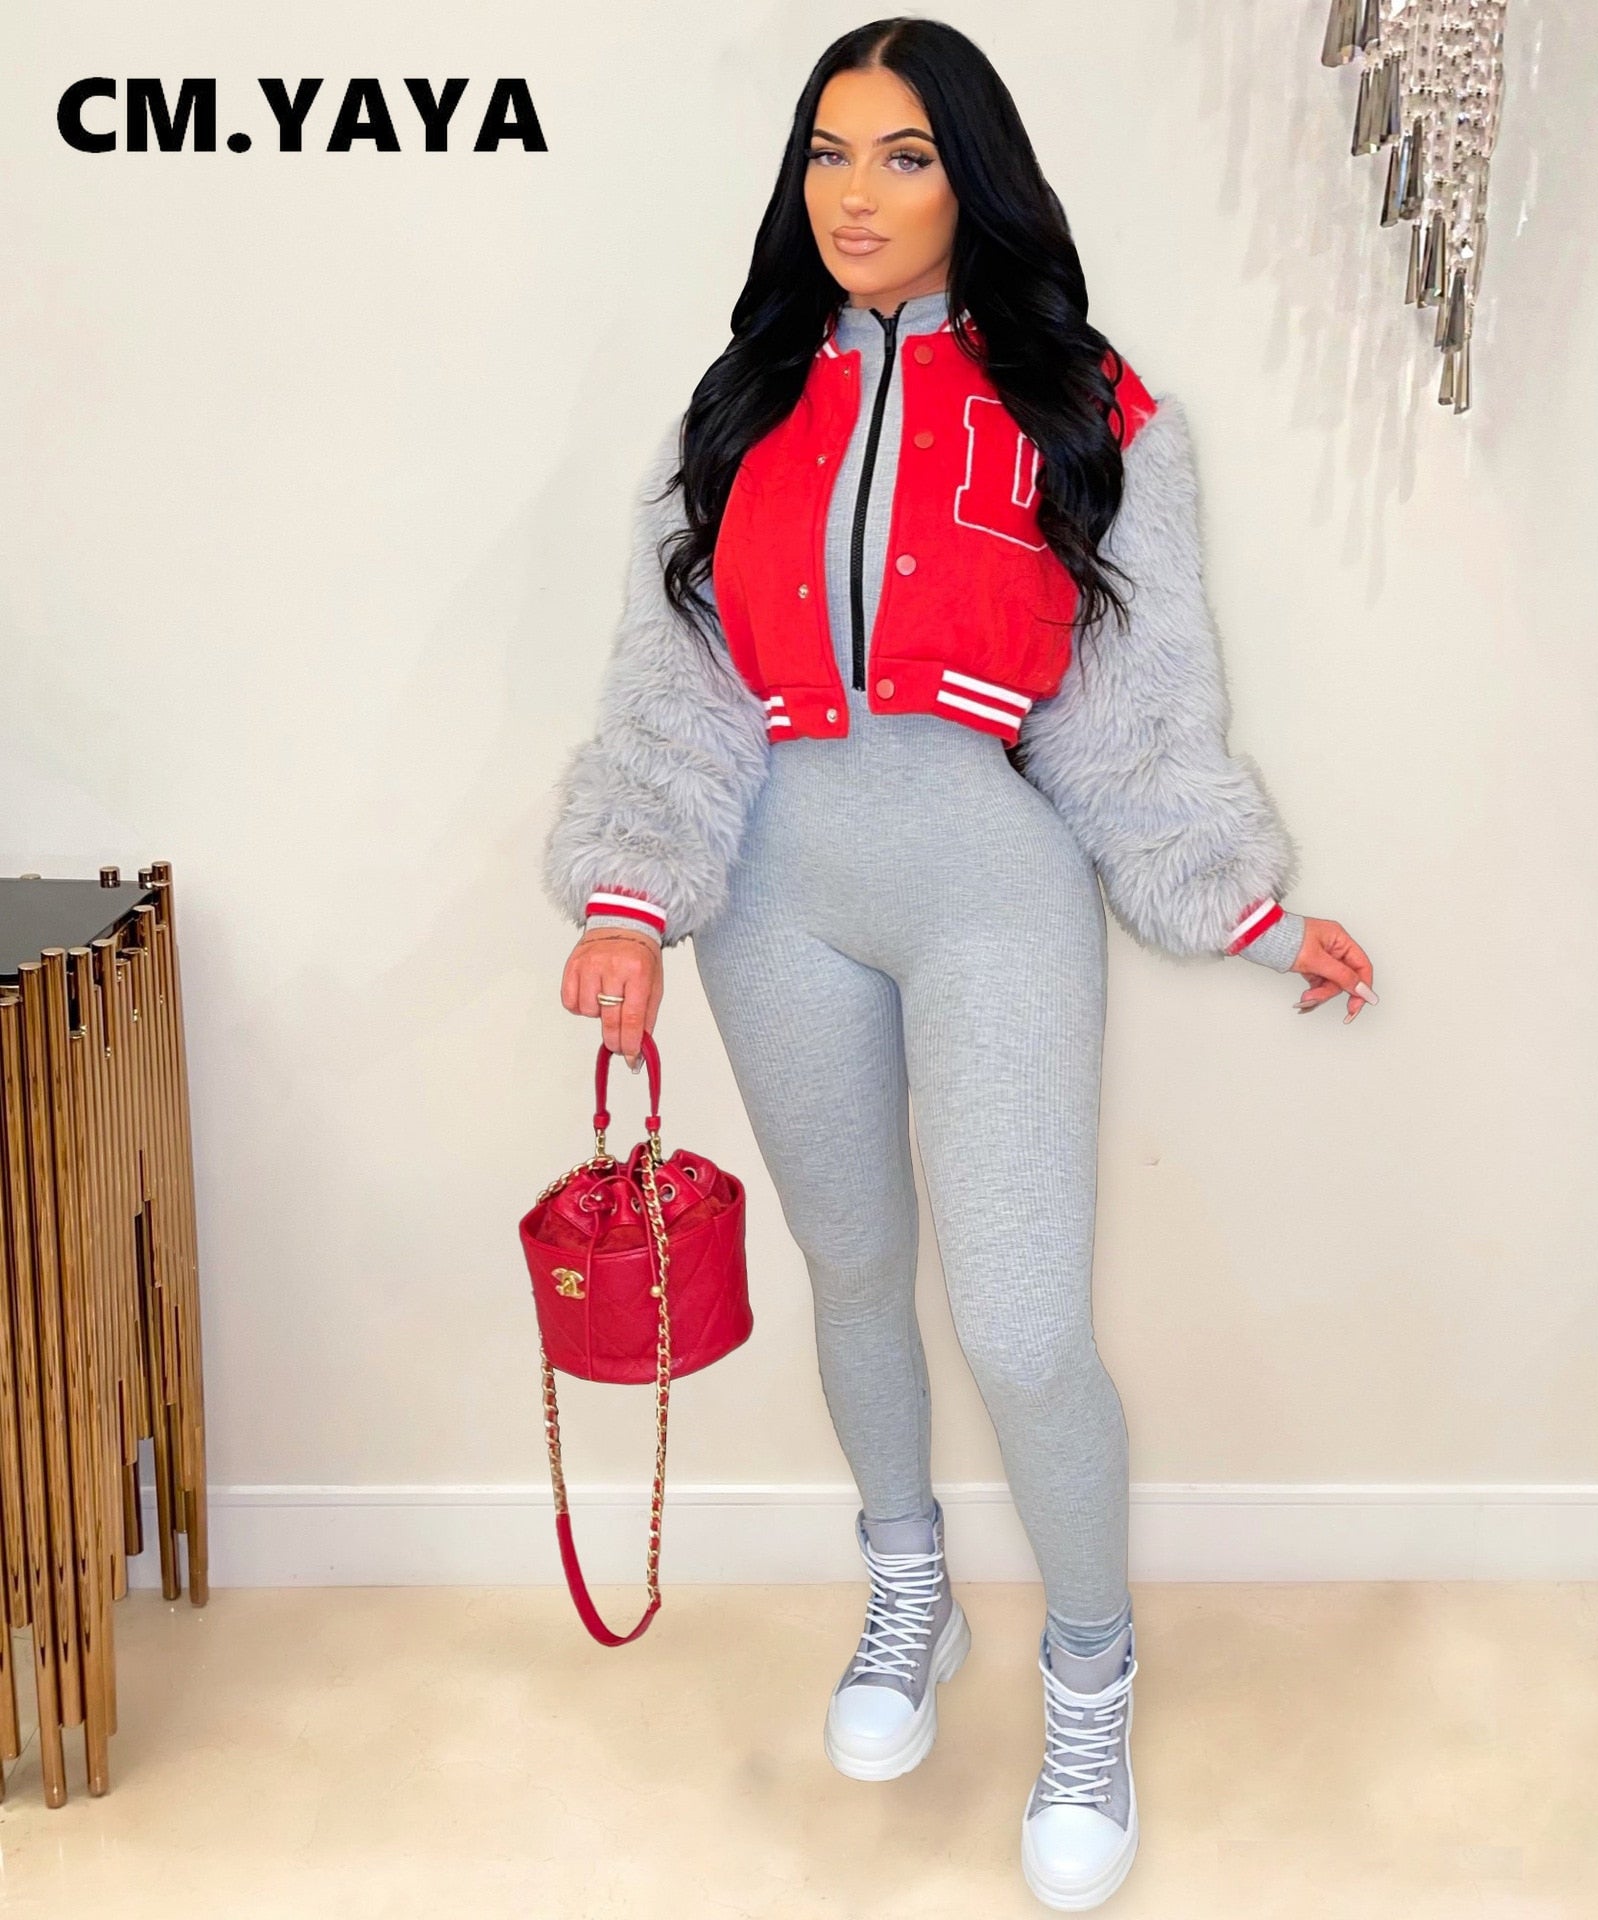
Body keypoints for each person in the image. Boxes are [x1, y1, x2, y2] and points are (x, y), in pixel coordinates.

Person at [541, 17, 1376, 1910]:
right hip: (775, 893)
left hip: (992, 882)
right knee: (851, 1269)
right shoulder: (738, 406)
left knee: (1018, 1324)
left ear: (972, 176)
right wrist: (627, 907)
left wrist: (1245, 907)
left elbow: (1138, 710)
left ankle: (1090, 1680)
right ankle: (906, 1589)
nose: (857, 196)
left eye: (905, 156)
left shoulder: (1090, 405)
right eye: (828, 154)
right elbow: (675, 690)